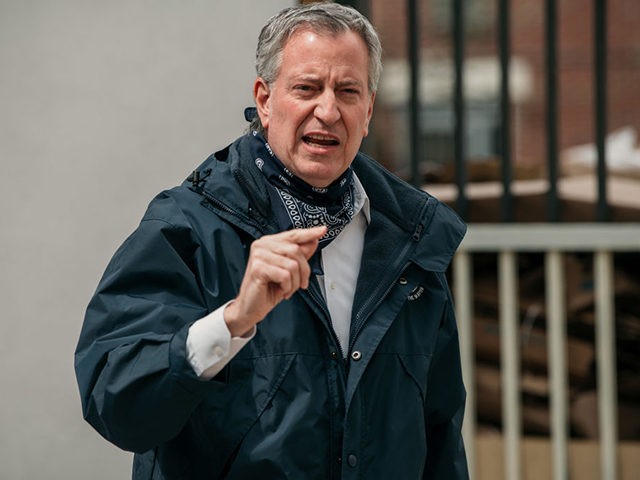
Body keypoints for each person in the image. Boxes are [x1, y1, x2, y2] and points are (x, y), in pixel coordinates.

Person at [74, 2, 469, 479]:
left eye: (348, 91)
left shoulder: (411, 239)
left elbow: (440, 434)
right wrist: (235, 320)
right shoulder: (187, 226)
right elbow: (118, 405)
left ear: (368, 111)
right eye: (306, 88)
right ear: (264, 99)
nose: (328, 110)